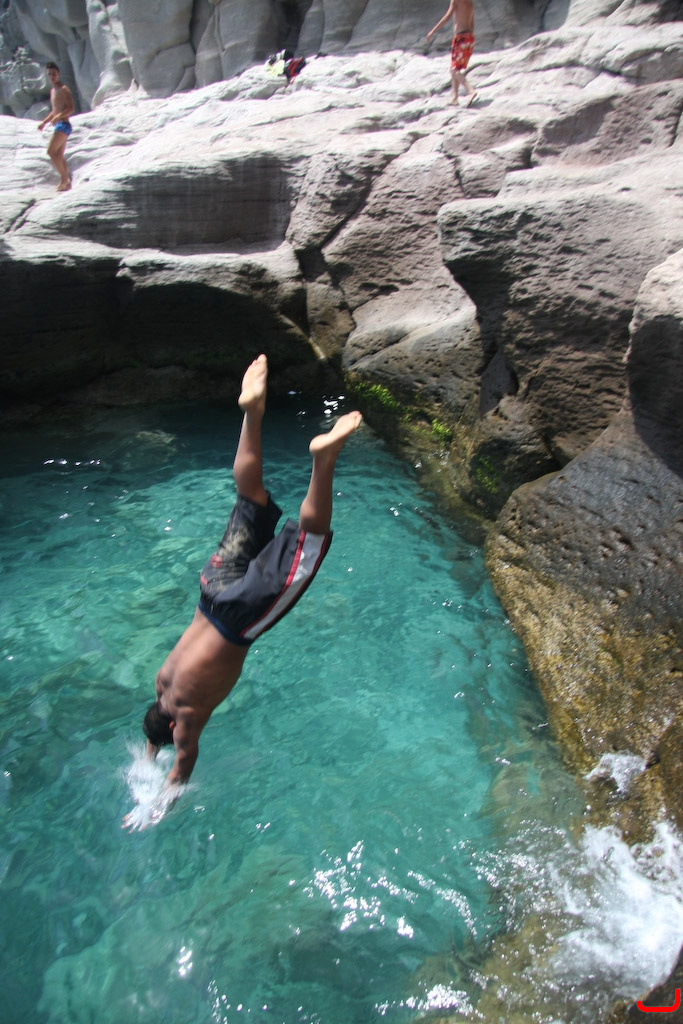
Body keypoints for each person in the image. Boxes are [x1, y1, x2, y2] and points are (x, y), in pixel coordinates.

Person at [123, 354, 362, 829]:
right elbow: (153, 732)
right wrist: (146, 753)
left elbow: (180, 772)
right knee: (250, 499)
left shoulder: (186, 719)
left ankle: (324, 460)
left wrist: (152, 811)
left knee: (309, 543)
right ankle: (252, 412)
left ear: (172, 726)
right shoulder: (161, 684)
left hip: (239, 618)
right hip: (211, 590)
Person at [427, 0, 478, 107]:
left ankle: (471, 91)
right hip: (469, 38)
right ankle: (454, 98)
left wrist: (432, 31)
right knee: (455, 67)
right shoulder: (470, 3)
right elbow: (472, 23)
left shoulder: (456, 1)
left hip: (460, 38)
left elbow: (446, 18)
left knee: (454, 70)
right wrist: (470, 39)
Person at [37, 62, 75, 191]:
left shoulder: (64, 89)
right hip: (59, 124)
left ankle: (65, 179)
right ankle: (66, 182)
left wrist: (59, 116)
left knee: (51, 151)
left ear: (59, 74)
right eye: (49, 74)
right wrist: (44, 122)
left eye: (54, 74)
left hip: (64, 125)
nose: (52, 77)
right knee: (58, 154)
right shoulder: (53, 91)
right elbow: (54, 111)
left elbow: (71, 108)